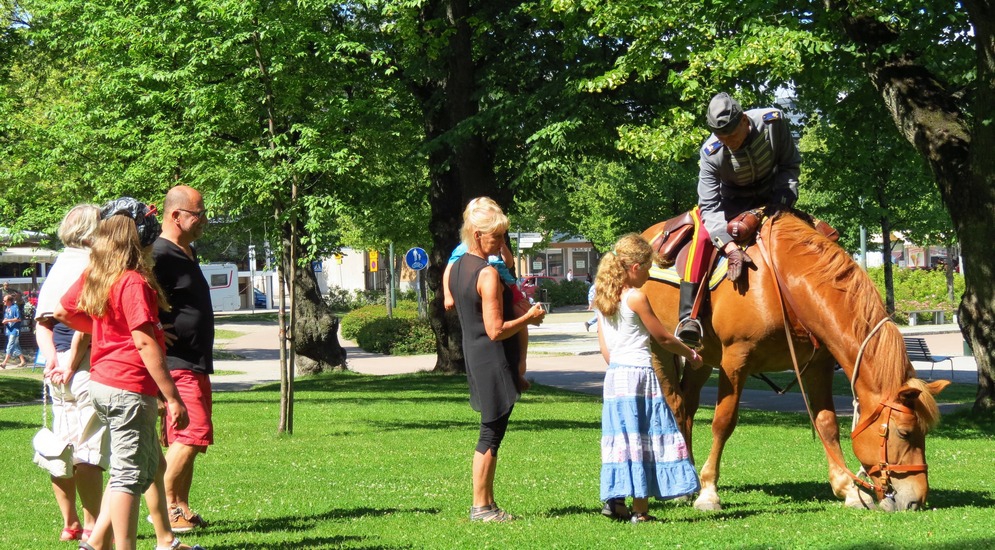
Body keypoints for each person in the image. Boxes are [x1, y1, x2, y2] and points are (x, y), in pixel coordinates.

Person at [55, 198, 201, 550]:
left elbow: (63, 311)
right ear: (143, 236)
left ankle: (96, 544)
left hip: (104, 382)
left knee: (146, 463)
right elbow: (145, 343)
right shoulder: (133, 280)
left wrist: (109, 329)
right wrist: (172, 396)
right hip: (128, 388)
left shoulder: (99, 273)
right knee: (126, 475)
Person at [676, 92, 802, 346]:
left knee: (814, 234)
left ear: (745, 120)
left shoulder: (773, 122)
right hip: (730, 204)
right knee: (701, 235)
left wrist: (783, 202)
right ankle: (689, 317)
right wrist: (730, 248)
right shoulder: (711, 152)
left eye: (733, 136)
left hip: (774, 197)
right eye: (723, 139)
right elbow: (709, 206)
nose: (729, 143)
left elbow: (790, 164)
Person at [449, 197, 546, 522]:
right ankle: (481, 506)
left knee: (492, 431)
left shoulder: (459, 267)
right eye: (497, 237)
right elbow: (495, 330)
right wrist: (528, 318)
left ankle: (488, 503)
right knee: (490, 433)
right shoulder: (487, 274)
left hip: (475, 357)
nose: (502, 243)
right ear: (477, 234)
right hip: (492, 359)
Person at [594, 233, 702, 523]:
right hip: (640, 376)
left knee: (621, 440)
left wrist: (619, 364)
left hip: (615, 377)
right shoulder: (636, 297)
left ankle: (615, 501)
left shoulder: (602, 297)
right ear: (634, 267)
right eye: (647, 267)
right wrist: (691, 353)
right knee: (643, 439)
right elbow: (664, 338)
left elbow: (605, 350)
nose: (649, 273)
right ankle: (641, 512)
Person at [34, 204, 108, 544]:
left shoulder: (58, 265)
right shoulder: (93, 264)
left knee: (59, 450)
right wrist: (70, 362)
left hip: (57, 371)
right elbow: (88, 325)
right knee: (88, 454)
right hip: (85, 368)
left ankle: (70, 523)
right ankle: (94, 527)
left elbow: (42, 323)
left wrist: (51, 360)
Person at [153, 185, 214, 531]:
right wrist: (157, 329)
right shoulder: (159, 255)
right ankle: (162, 506)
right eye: (198, 213)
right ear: (176, 216)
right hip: (176, 362)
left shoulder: (187, 252)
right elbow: (137, 299)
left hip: (196, 360)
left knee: (186, 440)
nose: (203, 220)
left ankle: (179, 508)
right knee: (193, 434)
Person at [443, 197, 532, 391]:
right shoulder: (471, 261)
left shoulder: (492, 252)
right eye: (496, 235)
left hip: (507, 285)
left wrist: (502, 244)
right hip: (487, 347)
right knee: (520, 318)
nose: (500, 239)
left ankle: (520, 364)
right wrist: (447, 294)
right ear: (477, 232)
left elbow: (509, 263)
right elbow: (449, 269)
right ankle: (517, 369)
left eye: (502, 234)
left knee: (521, 316)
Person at [2, 293, 26, 368]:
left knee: (10, 345)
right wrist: (5, 320)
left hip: (15, 330)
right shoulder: (7, 309)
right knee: (15, 346)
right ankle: (23, 361)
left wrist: (8, 320)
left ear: (9, 301)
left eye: (5, 301)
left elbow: (18, 319)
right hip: (9, 330)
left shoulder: (15, 308)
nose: (3, 302)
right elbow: (7, 318)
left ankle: (4, 363)